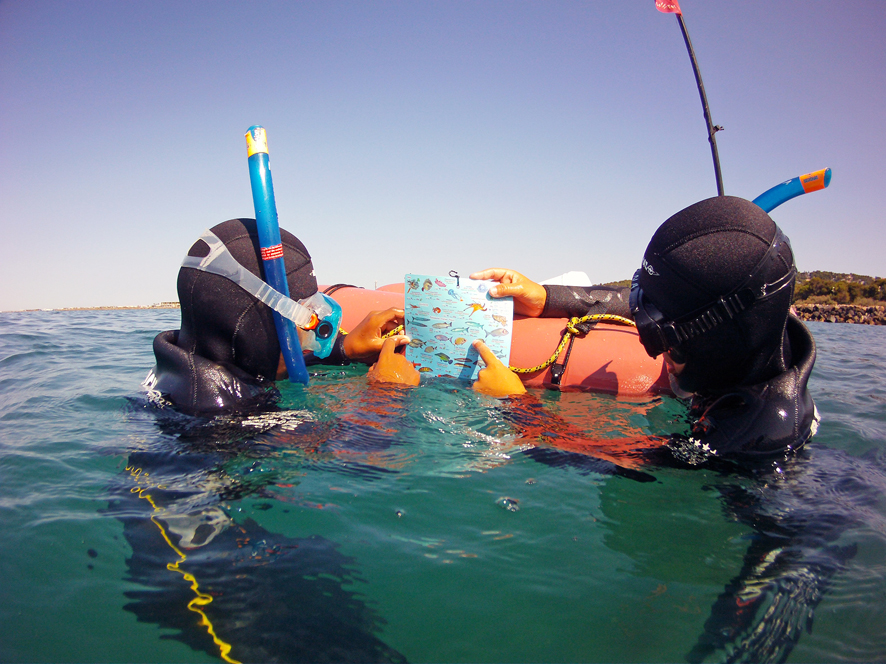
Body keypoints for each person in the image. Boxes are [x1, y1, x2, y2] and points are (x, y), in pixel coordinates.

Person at [469, 195, 819, 462]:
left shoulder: (751, 436)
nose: (647, 343)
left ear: (717, 342)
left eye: (659, 334)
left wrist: (514, 404)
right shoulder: (753, 336)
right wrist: (546, 298)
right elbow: (642, 301)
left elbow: (622, 465)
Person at [144, 217, 409, 415]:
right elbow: (352, 469)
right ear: (254, 332)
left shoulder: (187, 366)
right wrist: (388, 394)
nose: (312, 334)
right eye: (305, 320)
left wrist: (344, 348)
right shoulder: (222, 412)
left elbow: (269, 360)